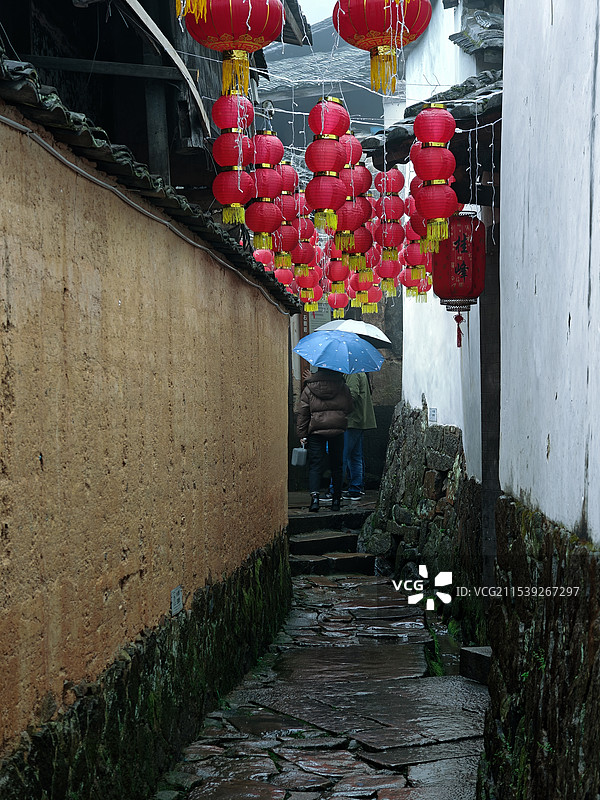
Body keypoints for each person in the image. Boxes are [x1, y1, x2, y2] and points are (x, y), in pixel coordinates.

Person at [296, 368, 353, 512]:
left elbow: (303, 414)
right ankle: (336, 500)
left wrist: (302, 434)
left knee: (315, 465)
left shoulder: (309, 388)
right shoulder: (342, 386)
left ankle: (315, 500)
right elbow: (350, 407)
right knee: (337, 465)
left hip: (316, 431)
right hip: (337, 430)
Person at [342, 372, 376, 500]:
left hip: (352, 420)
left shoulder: (352, 373)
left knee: (344, 456)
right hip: (359, 419)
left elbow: (352, 395)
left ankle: (336, 489)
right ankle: (355, 488)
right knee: (355, 456)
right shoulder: (360, 372)